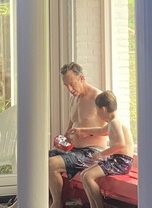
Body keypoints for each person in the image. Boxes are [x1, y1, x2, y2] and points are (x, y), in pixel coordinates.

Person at [46, 62, 107, 207]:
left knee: (51, 164)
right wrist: (66, 135)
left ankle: (56, 204)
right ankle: (24, 201)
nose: (70, 89)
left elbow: (112, 128)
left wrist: (86, 132)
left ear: (82, 78)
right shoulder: (74, 98)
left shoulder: (98, 98)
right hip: (75, 150)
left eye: (72, 84)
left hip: (92, 152)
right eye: (66, 85)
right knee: (37, 160)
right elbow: (73, 120)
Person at [71, 90, 135, 208]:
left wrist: (101, 154)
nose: (97, 114)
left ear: (104, 109)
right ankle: (93, 205)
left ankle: (99, 206)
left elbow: (120, 144)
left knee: (88, 176)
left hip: (121, 162)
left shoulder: (115, 122)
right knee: (84, 174)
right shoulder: (112, 122)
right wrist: (82, 130)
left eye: (97, 110)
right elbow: (100, 131)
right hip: (116, 159)